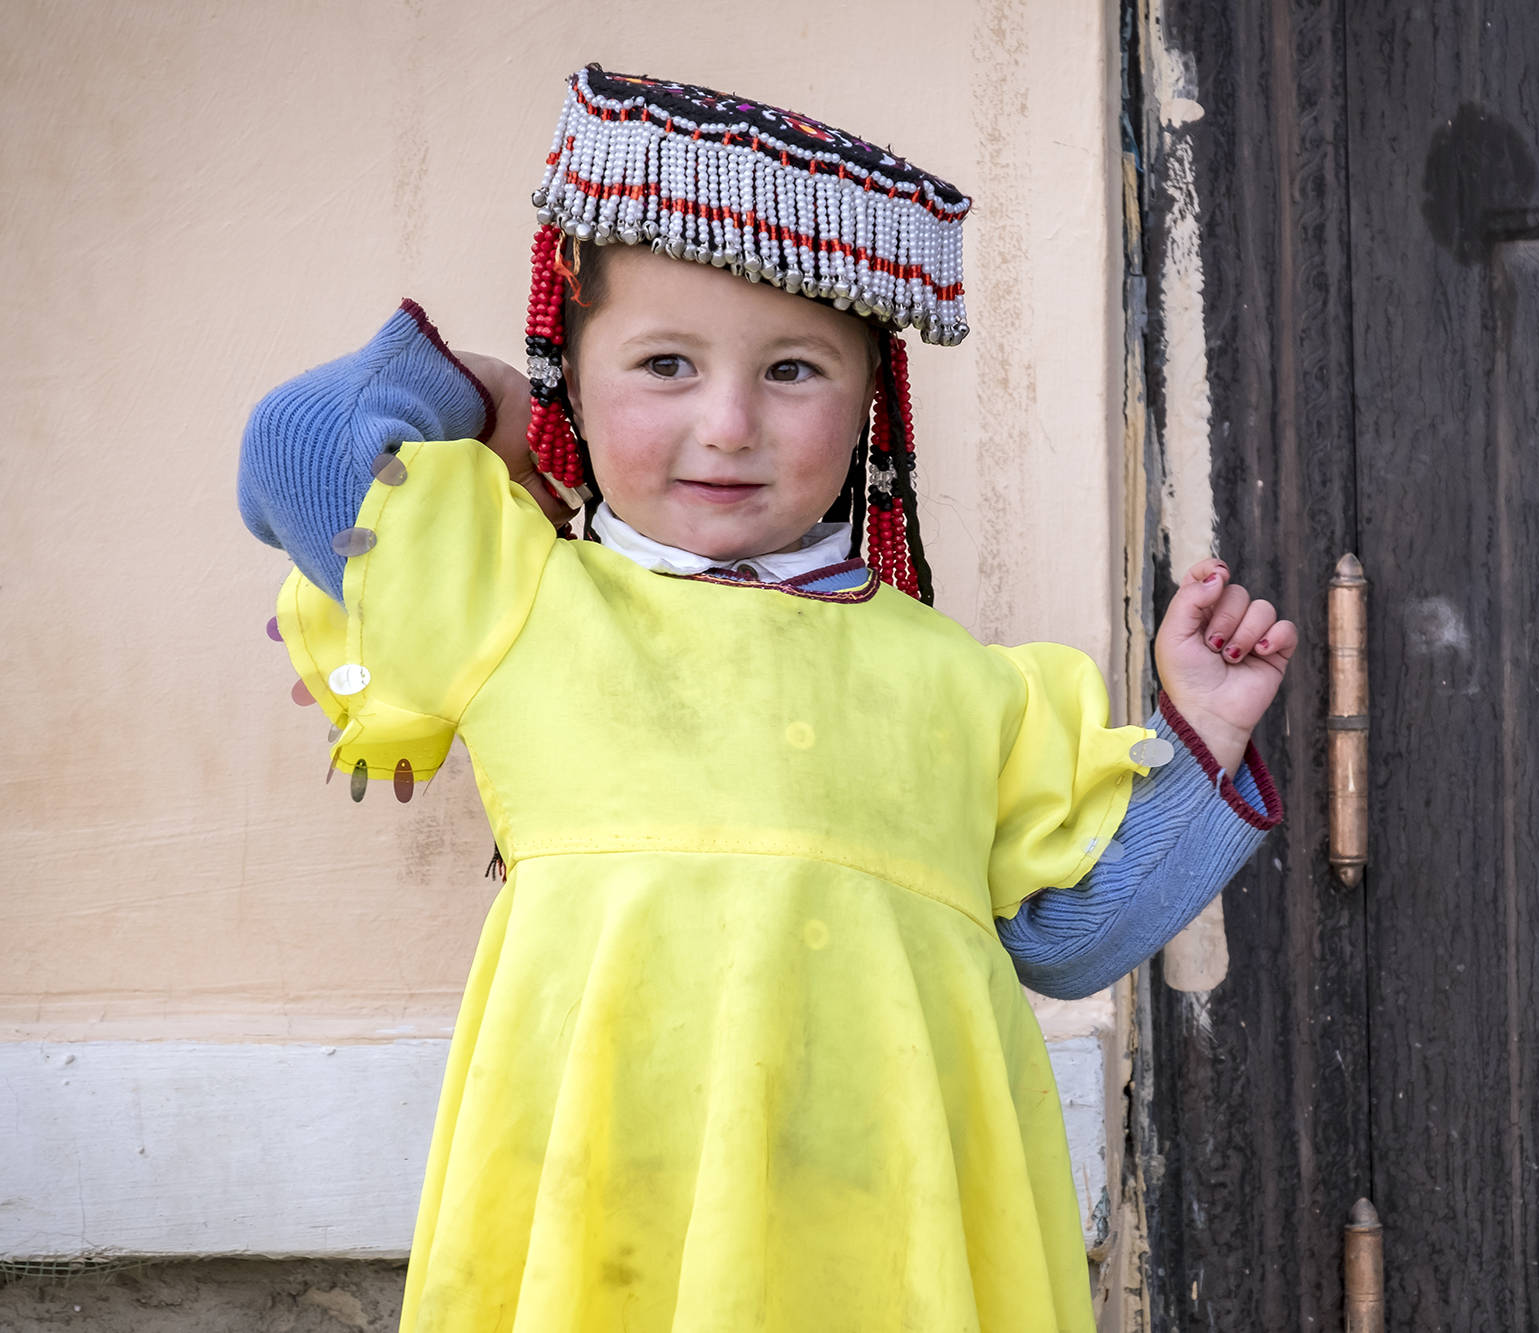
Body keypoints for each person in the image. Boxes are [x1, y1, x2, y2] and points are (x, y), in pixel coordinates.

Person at [239, 65, 1293, 1333]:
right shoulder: (518, 600)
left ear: (871, 403)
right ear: (570, 373)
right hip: (607, 1214)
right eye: (665, 364)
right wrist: (487, 392)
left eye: (794, 370)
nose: (728, 423)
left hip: (878, 1239)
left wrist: (1200, 737)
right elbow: (295, 449)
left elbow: (1061, 940)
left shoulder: (963, 682)